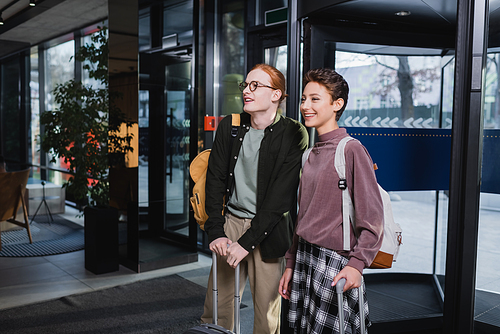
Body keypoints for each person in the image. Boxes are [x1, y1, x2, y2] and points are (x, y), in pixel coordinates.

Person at [201, 63, 309, 334]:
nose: (246, 91)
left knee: (266, 317)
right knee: (217, 309)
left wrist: (246, 243)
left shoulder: (294, 133)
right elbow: (214, 181)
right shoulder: (231, 126)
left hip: (270, 231)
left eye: (255, 85)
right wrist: (215, 231)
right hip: (232, 224)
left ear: (276, 94)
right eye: (245, 86)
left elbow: (280, 199)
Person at [278, 68, 384, 334]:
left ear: (337, 104)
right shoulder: (310, 154)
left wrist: (357, 265)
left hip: (335, 262)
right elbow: (303, 215)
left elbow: (372, 219)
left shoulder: (351, 149)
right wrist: (290, 263)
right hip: (305, 257)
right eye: (304, 99)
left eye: (315, 99)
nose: (305, 106)